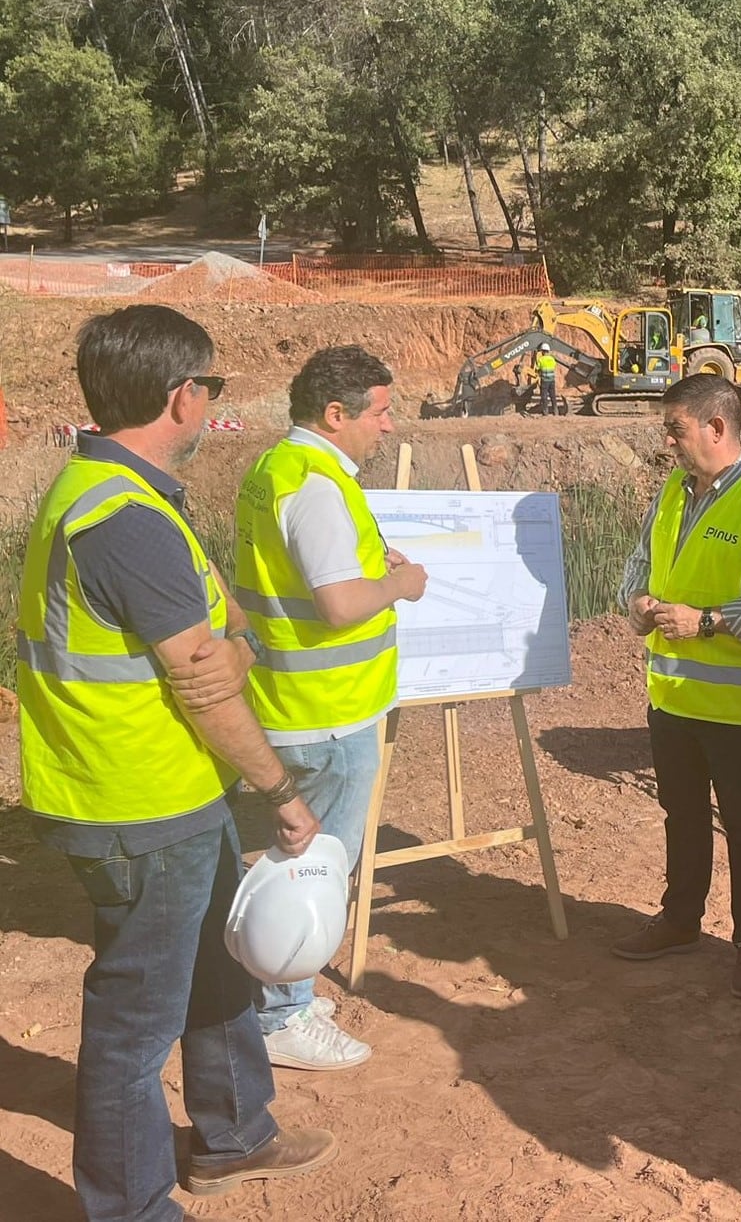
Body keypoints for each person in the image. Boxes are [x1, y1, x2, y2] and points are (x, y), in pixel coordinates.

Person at [17, 304, 337, 1220]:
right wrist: (277, 787)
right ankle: (131, 1206)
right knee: (131, 1027)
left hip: (165, 792)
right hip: (135, 803)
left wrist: (225, 641)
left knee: (215, 967)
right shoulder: (123, 517)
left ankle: (236, 1132)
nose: (211, 406)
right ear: (179, 396)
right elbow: (204, 671)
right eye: (212, 389)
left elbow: (216, 630)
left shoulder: (109, 491)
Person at [234, 344, 427, 1070]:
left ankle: (281, 994)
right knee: (315, 865)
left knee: (297, 855)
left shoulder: (273, 469)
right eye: (379, 413)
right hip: (328, 713)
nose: (389, 427)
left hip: (293, 700)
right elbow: (341, 604)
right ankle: (282, 1015)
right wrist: (400, 587)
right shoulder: (315, 486)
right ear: (335, 413)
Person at [613, 373, 741, 999]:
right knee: (682, 815)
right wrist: (636, 601)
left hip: (735, 706)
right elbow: (638, 566)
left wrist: (709, 622)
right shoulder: (671, 491)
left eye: (677, 429)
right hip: (669, 696)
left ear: (717, 428)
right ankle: (680, 918)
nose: (668, 443)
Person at [535, 343, 559, 413]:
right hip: (552, 380)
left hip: (545, 380)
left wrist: (538, 371)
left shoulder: (541, 359)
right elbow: (554, 366)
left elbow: (537, 368)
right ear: (548, 351)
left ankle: (545, 411)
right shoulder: (552, 359)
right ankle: (555, 410)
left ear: (542, 351)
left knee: (544, 396)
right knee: (553, 395)